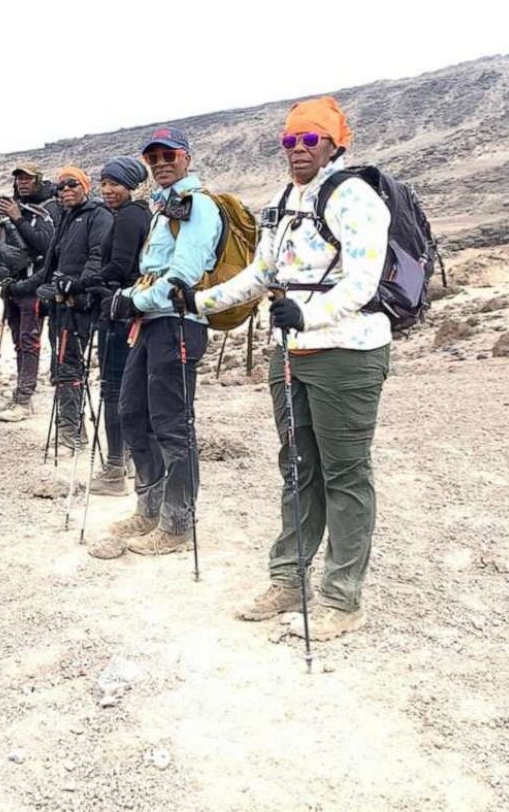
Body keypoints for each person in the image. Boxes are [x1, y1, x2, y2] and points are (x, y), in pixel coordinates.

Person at [193, 96, 391, 640]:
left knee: (345, 474)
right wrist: (196, 301)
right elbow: (261, 274)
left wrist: (308, 312)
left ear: (334, 143)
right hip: (292, 351)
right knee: (297, 465)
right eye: (290, 140)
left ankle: (342, 598)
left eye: (310, 140)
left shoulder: (355, 197)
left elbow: (361, 282)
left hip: (346, 351)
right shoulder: (283, 198)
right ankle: (288, 579)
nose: (298, 149)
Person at [97, 127, 222, 556]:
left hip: (179, 322)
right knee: (132, 412)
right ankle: (148, 508)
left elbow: (182, 275)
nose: (161, 163)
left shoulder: (196, 205)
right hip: (152, 323)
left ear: (186, 157)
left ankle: (176, 522)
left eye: (169, 155)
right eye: (153, 157)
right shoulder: (162, 207)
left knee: (171, 424)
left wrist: (130, 298)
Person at [9, 167, 112, 447]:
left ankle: (72, 435)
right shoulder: (65, 217)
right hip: (58, 304)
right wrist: (21, 287)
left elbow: (97, 257)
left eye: (73, 185)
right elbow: (50, 266)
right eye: (62, 187)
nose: (66, 190)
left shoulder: (98, 215)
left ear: (85, 187)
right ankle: (71, 431)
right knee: (62, 365)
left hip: (79, 304)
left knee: (69, 366)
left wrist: (74, 286)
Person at [75, 156, 151, 494]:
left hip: (118, 313)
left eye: (115, 184)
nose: (107, 190)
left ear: (130, 186)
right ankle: (132, 460)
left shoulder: (127, 218)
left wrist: (82, 283)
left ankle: (114, 470)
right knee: (131, 388)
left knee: (113, 388)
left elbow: (120, 266)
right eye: (104, 183)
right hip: (134, 311)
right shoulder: (141, 214)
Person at [0, 163, 59, 423]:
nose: (22, 182)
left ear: (39, 180)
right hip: (13, 285)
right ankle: (21, 394)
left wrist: (18, 218)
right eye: (18, 178)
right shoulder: (15, 205)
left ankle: (24, 398)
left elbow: (46, 244)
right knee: (19, 342)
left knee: (29, 341)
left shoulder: (49, 209)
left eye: (28, 178)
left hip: (35, 285)